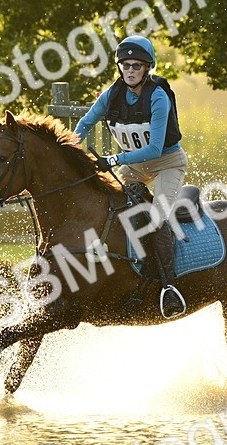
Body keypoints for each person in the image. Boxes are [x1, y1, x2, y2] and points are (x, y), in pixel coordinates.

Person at [73, 35, 188, 318]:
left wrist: (112, 159)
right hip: (135, 167)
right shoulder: (111, 95)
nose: (130, 70)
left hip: (166, 163)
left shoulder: (158, 97)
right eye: (125, 65)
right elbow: (85, 123)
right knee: (112, 207)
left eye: (137, 65)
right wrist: (71, 149)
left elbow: (155, 148)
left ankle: (169, 287)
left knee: (158, 216)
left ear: (148, 68)